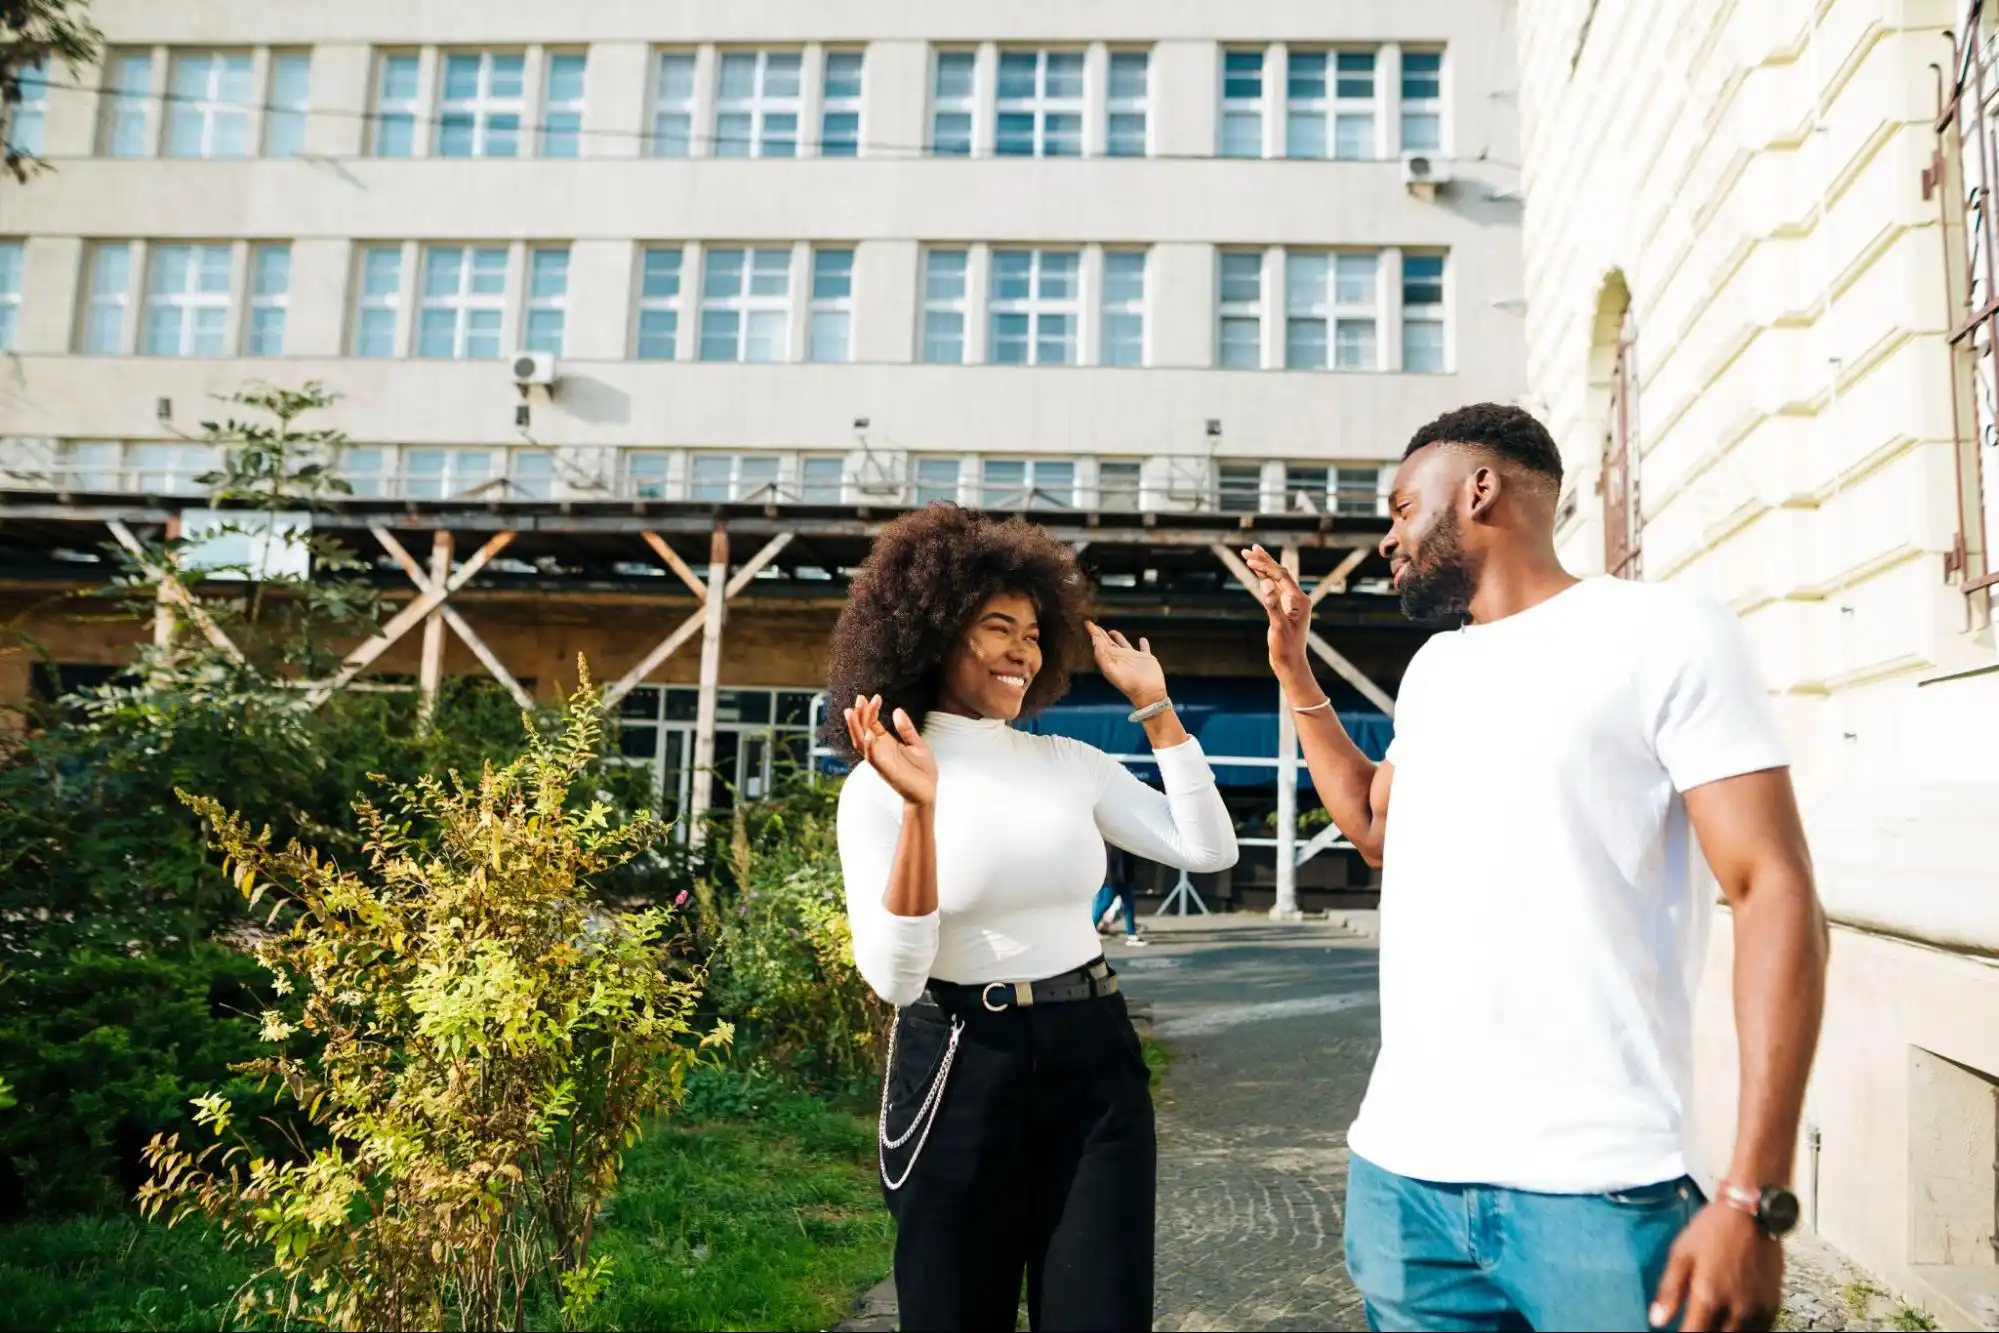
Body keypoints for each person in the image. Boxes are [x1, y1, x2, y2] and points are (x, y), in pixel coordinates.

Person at [1243, 403, 1828, 1333]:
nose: (1387, 537)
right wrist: (1294, 672)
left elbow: (1772, 890)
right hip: (1405, 1185)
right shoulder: (1436, 670)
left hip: (1600, 1189)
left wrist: (1752, 1195)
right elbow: (1374, 828)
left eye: (1401, 508)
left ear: (1480, 489)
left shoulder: (1664, 631)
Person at [830, 505, 1238, 1332]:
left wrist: (1156, 708)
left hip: (1093, 1059)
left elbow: (1207, 848)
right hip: (959, 1060)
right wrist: (919, 810)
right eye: (997, 627)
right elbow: (897, 979)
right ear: (935, 631)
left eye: (1032, 632)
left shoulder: (1069, 763)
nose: (1023, 649)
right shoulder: (877, 786)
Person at [1091, 845, 1145, 945]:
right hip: (1116, 878)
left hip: (1119, 877)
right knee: (1107, 903)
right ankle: (1131, 935)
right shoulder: (1117, 843)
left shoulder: (1114, 842)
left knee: (1125, 905)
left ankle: (1132, 934)